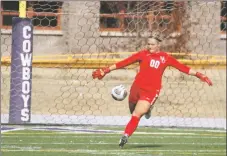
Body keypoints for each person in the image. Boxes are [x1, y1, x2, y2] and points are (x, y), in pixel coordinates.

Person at [92, 34, 213, 148]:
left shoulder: (165, 58)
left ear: (158, 45)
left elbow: (183, 68)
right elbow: (124, 62)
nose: (149, 46)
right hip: (137, 88)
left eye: (152, 44)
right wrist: (106, 70)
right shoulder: (142, 54)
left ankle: (125, 136)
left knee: (136, 115)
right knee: (133, 110)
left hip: (150, 91)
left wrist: (199, 75)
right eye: (148, 44)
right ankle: (148, 109)